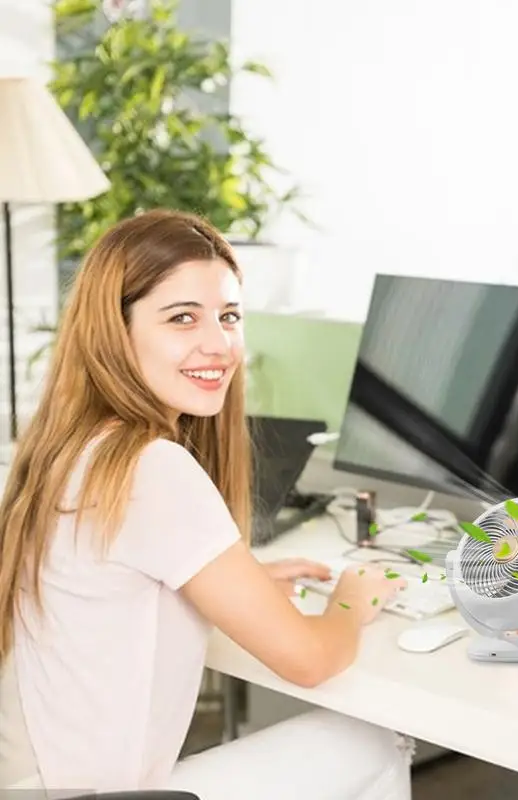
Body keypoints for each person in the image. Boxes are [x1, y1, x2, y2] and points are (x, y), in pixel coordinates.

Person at [0, 209, 414, 799]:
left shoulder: (73, 447)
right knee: (371, 743)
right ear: (113, 332)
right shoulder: (150, 466)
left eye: (229, 316)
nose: (218, 344)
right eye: (181, 318)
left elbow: (114, 586)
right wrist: (351, 600)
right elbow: (309, 662)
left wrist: (240, 581)